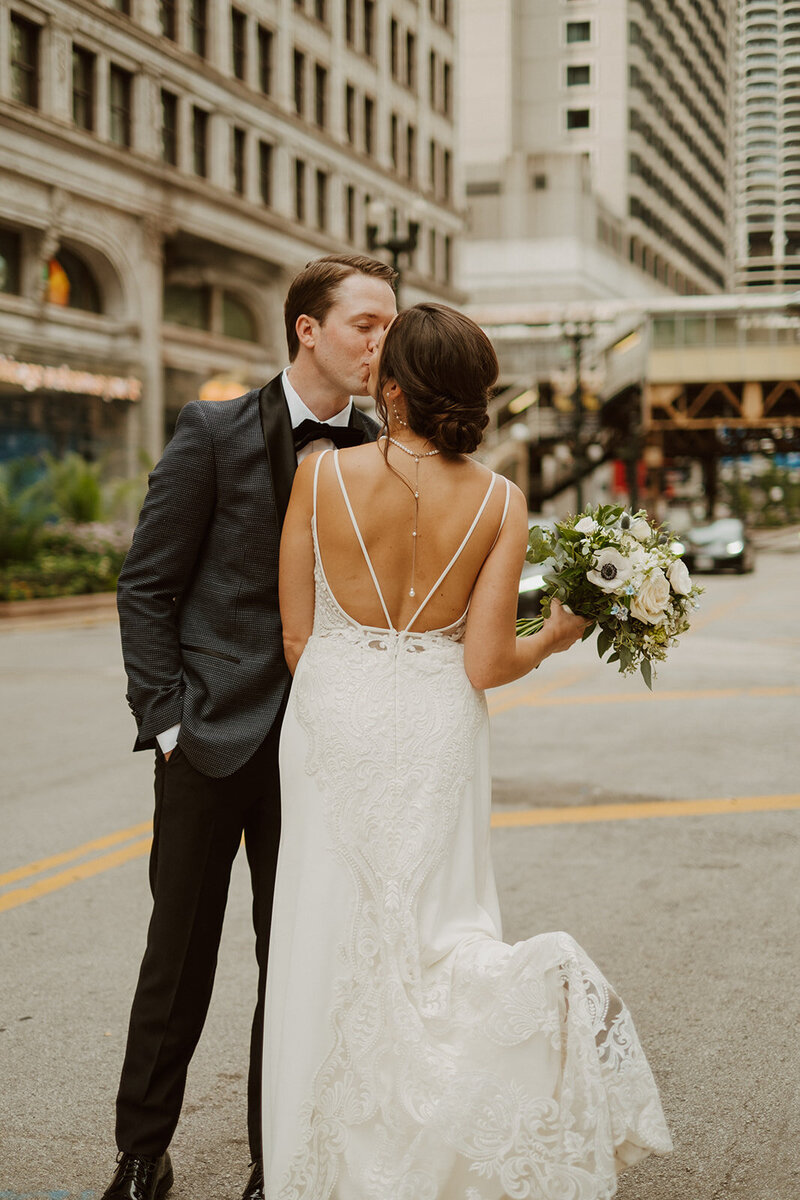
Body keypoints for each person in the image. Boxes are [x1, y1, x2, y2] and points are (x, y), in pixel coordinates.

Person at [265, 302, 672, 1198]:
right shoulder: (499, 499)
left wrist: (348, 686)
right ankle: (521, 1009)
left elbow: (296, 636)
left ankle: (319, 1161)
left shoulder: (320, 478)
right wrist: (558, 635)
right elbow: (487, 660)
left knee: (329, 933)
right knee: (435, 930)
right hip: (442, 724)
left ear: (395, 388)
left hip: (334, 716)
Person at [104, 255, 397, 1200]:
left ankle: (278, 1164)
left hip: (320, 750)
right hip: (208, 738)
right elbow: (147, 585)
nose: (380, 344)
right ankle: (143, 1154)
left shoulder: (382, 450)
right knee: (177, 958)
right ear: (308, 328)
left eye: (389, 326)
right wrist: (166, 722)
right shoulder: (214, 430)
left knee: (298, 962)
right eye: (366, 324)